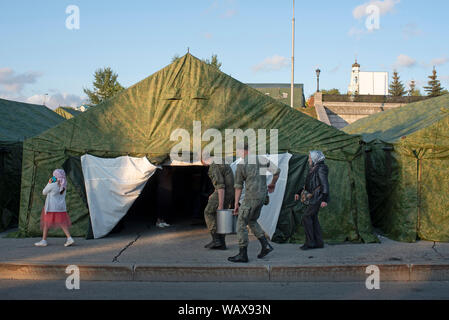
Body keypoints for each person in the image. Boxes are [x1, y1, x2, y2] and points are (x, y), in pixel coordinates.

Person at [228, 144, 281, 263]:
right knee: (251, 221)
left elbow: (238, 186)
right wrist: (273, 183)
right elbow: (277, 171)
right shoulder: (261, 160)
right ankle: (266, 245)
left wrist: (236, 203)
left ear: (242, 151)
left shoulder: (242, 165)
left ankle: (243, 255)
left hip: (250, 198)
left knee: (241, 224)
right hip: (262, 197)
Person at [294, 150, 330, 251]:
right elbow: (307, 183)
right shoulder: (314, 168)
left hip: (317, 198)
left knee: (306, 217)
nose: (309, 159)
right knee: (313, 218)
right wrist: (298, 192)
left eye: (310, 157)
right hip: (315, 198)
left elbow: (325, 185)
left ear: (315, 158)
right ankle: (318, 242)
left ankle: (310, 243)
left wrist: (324, 199)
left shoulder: (321, 168)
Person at [201, 153, 235, 250]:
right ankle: (222, 243)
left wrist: (220, 205)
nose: (205, 166)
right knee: (220, 217)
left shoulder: (214, 166)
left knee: (208, 212)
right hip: (229, 192)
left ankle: (216, 240)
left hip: (224, 192)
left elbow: (220, 186)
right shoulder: (221, 160)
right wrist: (214, 193)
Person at [34, 169, 74, 247]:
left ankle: (44, 240)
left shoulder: (52, 184)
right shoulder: (64, 184)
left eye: (54, 175)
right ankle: (69, 238)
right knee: (62, 223)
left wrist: (49, 183)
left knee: (46, 223)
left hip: (51, 207)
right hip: (60, 207)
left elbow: (44, 192)